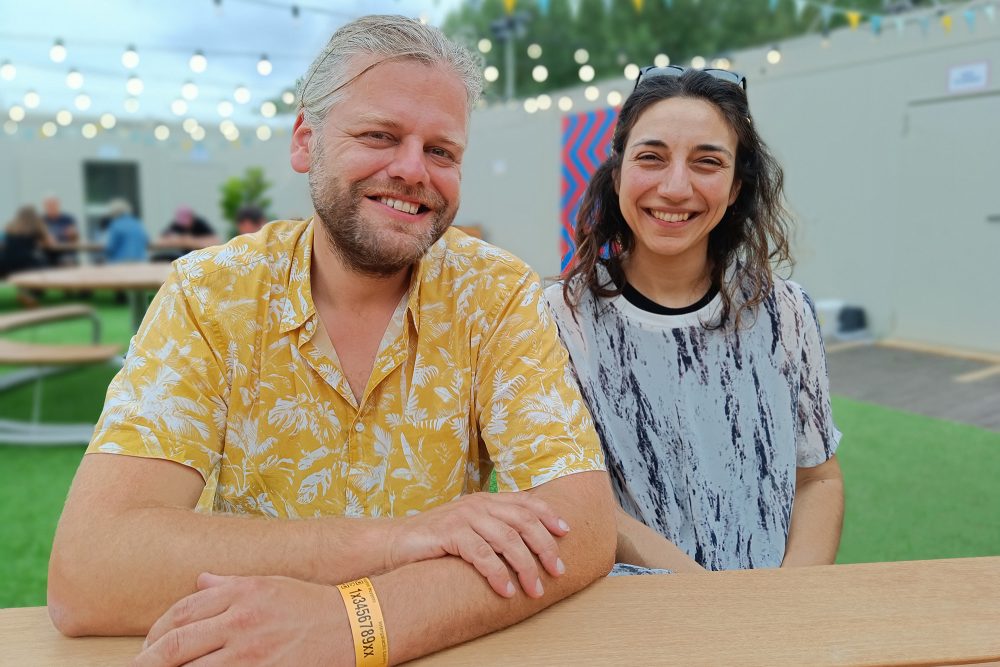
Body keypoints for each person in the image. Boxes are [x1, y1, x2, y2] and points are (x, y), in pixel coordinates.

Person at [47, 14, 615, 665]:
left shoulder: (495, 292)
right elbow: (92, 566)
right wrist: (399, 540)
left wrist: (357, 621)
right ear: (304, 142)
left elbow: (582, 523)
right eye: (380, 135)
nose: (412, 170)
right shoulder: (211, 292)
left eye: (442, 151)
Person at [545, 66, 843, 574]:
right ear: (618, 175)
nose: (675, 187)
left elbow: (818, 478)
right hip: (635, 629)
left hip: (771, 627)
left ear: (733, 189)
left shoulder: (785, 311)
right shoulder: (559, 319)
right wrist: (712, 605)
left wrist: (789, 601)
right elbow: (573, 497)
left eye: (707, 162)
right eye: (651, 158)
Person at [1, 205, 54, 306]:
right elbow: (49, 243)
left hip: (6, 263)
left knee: (26, 266)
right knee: (46, 265)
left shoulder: (10, 226)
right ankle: (30, 293)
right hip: (27, 262)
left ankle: (25, 291)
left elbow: (4, 243)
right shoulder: (36, 226)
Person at [152, 205, 220, 260]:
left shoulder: (200, 224)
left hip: (200, 257)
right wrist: (174, 241)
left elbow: (215, 241)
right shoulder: (176, 225)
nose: (184, 225)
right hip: (181, 257)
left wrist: (191, 242)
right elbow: (157, 242)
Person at [103, 198, 149, 263]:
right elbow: (146, 240)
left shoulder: (115, 225)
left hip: (120, 263)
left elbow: (110, 247)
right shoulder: (137, 223)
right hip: (140, 262)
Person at [41, 195, 79, 267]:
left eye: (54, 204)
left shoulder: (68, 219)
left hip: (65, 252)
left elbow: (75, 238)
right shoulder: (41, 220)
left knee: (67, 260)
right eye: (49, 205)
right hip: (47, 252)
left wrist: (72, 234)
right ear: (44, 206)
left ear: (58, 205)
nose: (51, 207)